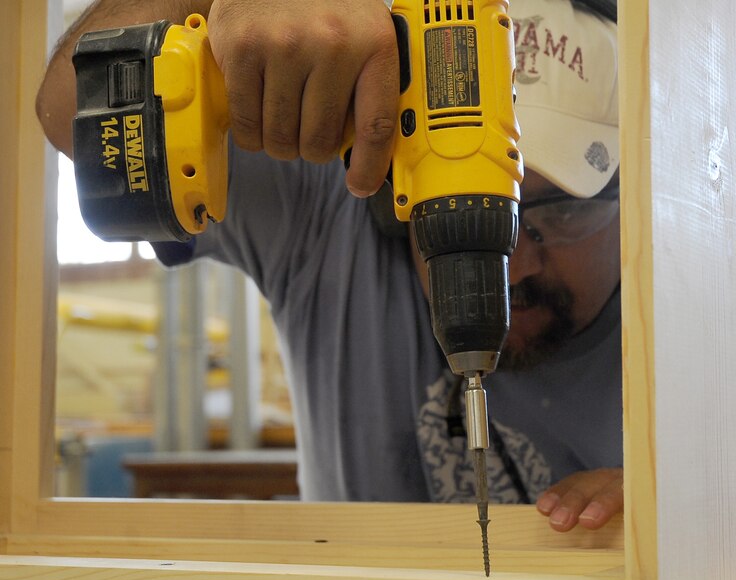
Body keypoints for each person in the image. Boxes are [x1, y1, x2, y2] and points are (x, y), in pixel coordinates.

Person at [37, 0, 622, 532]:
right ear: (396, 175)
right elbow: (68, 108)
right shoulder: (327, 210)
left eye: (563, 213)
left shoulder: (683, 311)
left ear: (636, 204)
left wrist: (671, 510)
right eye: (448, 205)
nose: (512, 264)